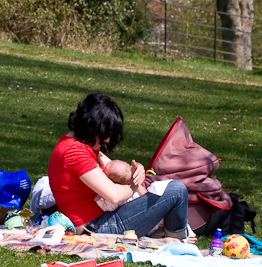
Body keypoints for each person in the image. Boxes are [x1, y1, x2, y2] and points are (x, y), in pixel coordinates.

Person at [48, 93, 196, 242]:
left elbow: (114, 169)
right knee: (176, 190)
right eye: (105, 134)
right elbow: (114, 195)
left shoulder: (77, 145)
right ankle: (179, 239)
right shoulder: (74, 152)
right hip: (96, 228)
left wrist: (137, 169)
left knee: (171, 190)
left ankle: (171, 236)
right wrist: (135, 184)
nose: (107, 140)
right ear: (92, 126)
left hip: (102, 221)